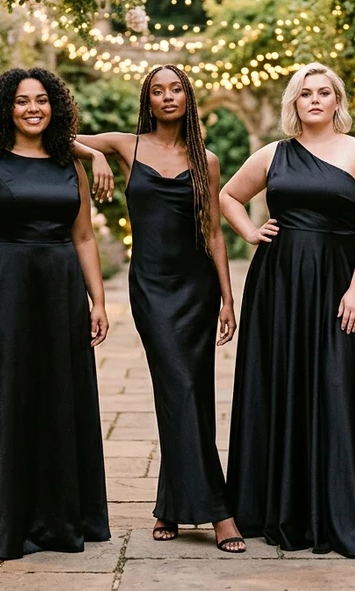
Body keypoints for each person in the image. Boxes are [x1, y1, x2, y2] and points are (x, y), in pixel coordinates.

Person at [219, 62, 355, 558]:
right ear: (295, 103)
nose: (316, 100)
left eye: (325, 92)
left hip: (336, 282)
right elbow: (227, 195)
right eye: (306, 94)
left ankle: (339, 509)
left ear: (337, 100)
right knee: (281, 384)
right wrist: (248, 232)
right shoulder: (273, 153)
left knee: (335, 385)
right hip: (278, 286)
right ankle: (275, 506)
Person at [0, 67, 110, 559]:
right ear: (4, 109)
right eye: (21, 101)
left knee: (57, 398)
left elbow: (84, 237)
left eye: (42, 100)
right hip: (3, 286)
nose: (33, 108)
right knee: (4, 396)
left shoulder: (67, 165)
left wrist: (98, 300)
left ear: (55, 106)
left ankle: (56, 520)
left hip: (59, 290)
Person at [74, 65, 245, 553]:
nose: (167, 97)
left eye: (176, 89)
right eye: (158, 90)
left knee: (188, 392)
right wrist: (94, 155)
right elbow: (58, 134)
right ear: (147, 100)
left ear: (187, 98)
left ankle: (171, 505)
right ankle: (219, 511)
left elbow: (213, 230)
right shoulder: (125, 145)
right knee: (179, 387)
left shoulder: (206, 160)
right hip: (150, 288)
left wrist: (228, 297)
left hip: (197, 289)